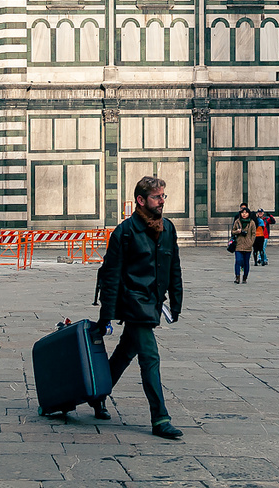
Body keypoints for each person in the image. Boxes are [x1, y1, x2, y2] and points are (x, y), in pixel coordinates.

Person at [94, 175, 184, 440]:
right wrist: (105, 317)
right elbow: (111, 277)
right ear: (141, 200)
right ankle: (160, 418)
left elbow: (174, 267)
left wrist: (176, 301)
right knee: (150, 358)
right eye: (157, 197)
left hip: (153, 303)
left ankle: (97, 395)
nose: (162, 202)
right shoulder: (124, 232)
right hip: (134, 304)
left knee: (125, 353)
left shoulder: (168, 228)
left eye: (163, 196)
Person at [229, 206, 256, 284]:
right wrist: (237, 231)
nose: (244, 214)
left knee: (246, 262)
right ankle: (237, 277)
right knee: (238, 261)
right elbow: (232, 231)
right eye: (242, 213)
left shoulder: (251, 222)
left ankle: (245, 277)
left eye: (246, 213)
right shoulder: (237, 221)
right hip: (238, 244)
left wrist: (251, 242)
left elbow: (254, 234)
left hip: (248, 245)